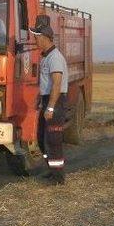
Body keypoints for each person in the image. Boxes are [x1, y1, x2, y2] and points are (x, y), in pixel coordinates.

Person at [30, 21, 69, 185]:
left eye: (37, 37)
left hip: (56, 101)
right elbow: (47, 83)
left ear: (45, 37)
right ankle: (51, 169)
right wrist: (41, 99)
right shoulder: (46, 56)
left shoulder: (55, 58)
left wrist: (51, 106)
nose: (35, 40)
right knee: (41, 138)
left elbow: (57, 84)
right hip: (47, 100)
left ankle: (58, 178)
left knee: (53, 141)